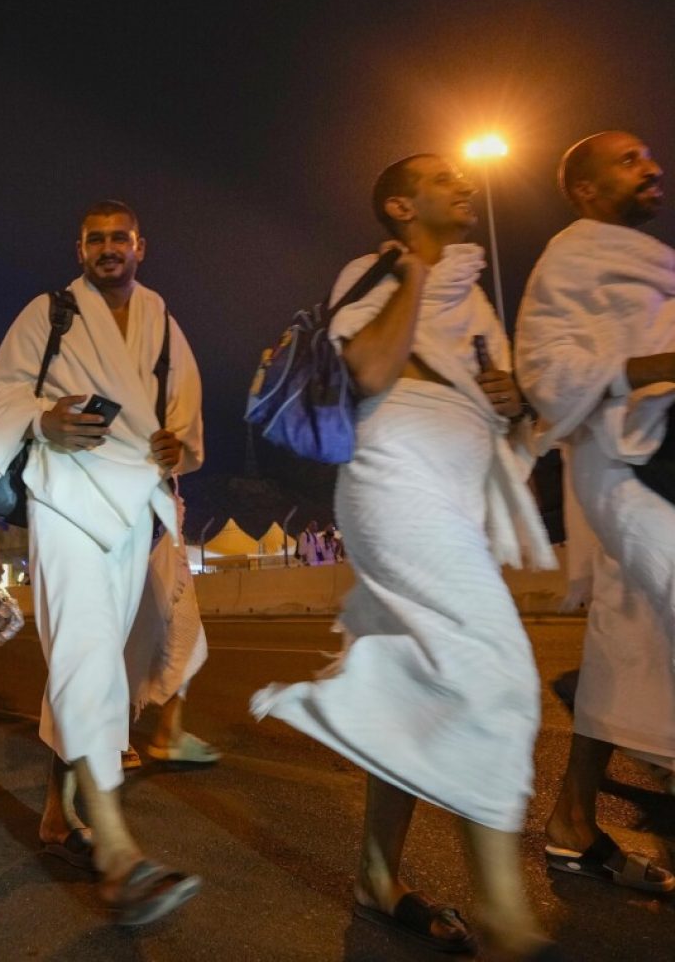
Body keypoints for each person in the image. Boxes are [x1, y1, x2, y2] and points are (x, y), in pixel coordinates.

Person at [253, 155, 559, 959]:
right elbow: (369, 370)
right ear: (400, 205)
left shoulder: (477, 292)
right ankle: (504, 910)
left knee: (419, 683)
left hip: (460, 492)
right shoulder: (378, 270)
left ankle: (377, 878)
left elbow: (504, 396)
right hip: (394, 481)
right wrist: (415, 273)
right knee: (496, 668)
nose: (463, 183)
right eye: (443, 177)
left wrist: (511, 400)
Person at [0, 200, 204, 925]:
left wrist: (173, 446)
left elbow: (180, 411)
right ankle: (121, 857)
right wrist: (43, 419)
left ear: (140, 246)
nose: (107, 248)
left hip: (134, 510)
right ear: (80, 247)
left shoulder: (162, 319)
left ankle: (58, 821)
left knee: (103, 664)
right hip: (65, 499)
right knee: (84, 655)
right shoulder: (50, 311)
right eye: (94, 239)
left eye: (118, 237)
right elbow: (4, 391)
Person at [515, 130, 675, 895]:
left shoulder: (652, 264)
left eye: (649, 157)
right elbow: (546, 374)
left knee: (627, 640)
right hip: (630, 474)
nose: (652, 169)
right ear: (583, 189)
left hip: (666, 463)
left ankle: (573, 819)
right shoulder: (568, 261)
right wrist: (659, 367)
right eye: (629, 161)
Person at [123, 487, 219, 768]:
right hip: (124, 517)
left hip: (164, 531)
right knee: (122, 635)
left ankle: (169, 732)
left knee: (183, 634)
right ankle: (107, 734)